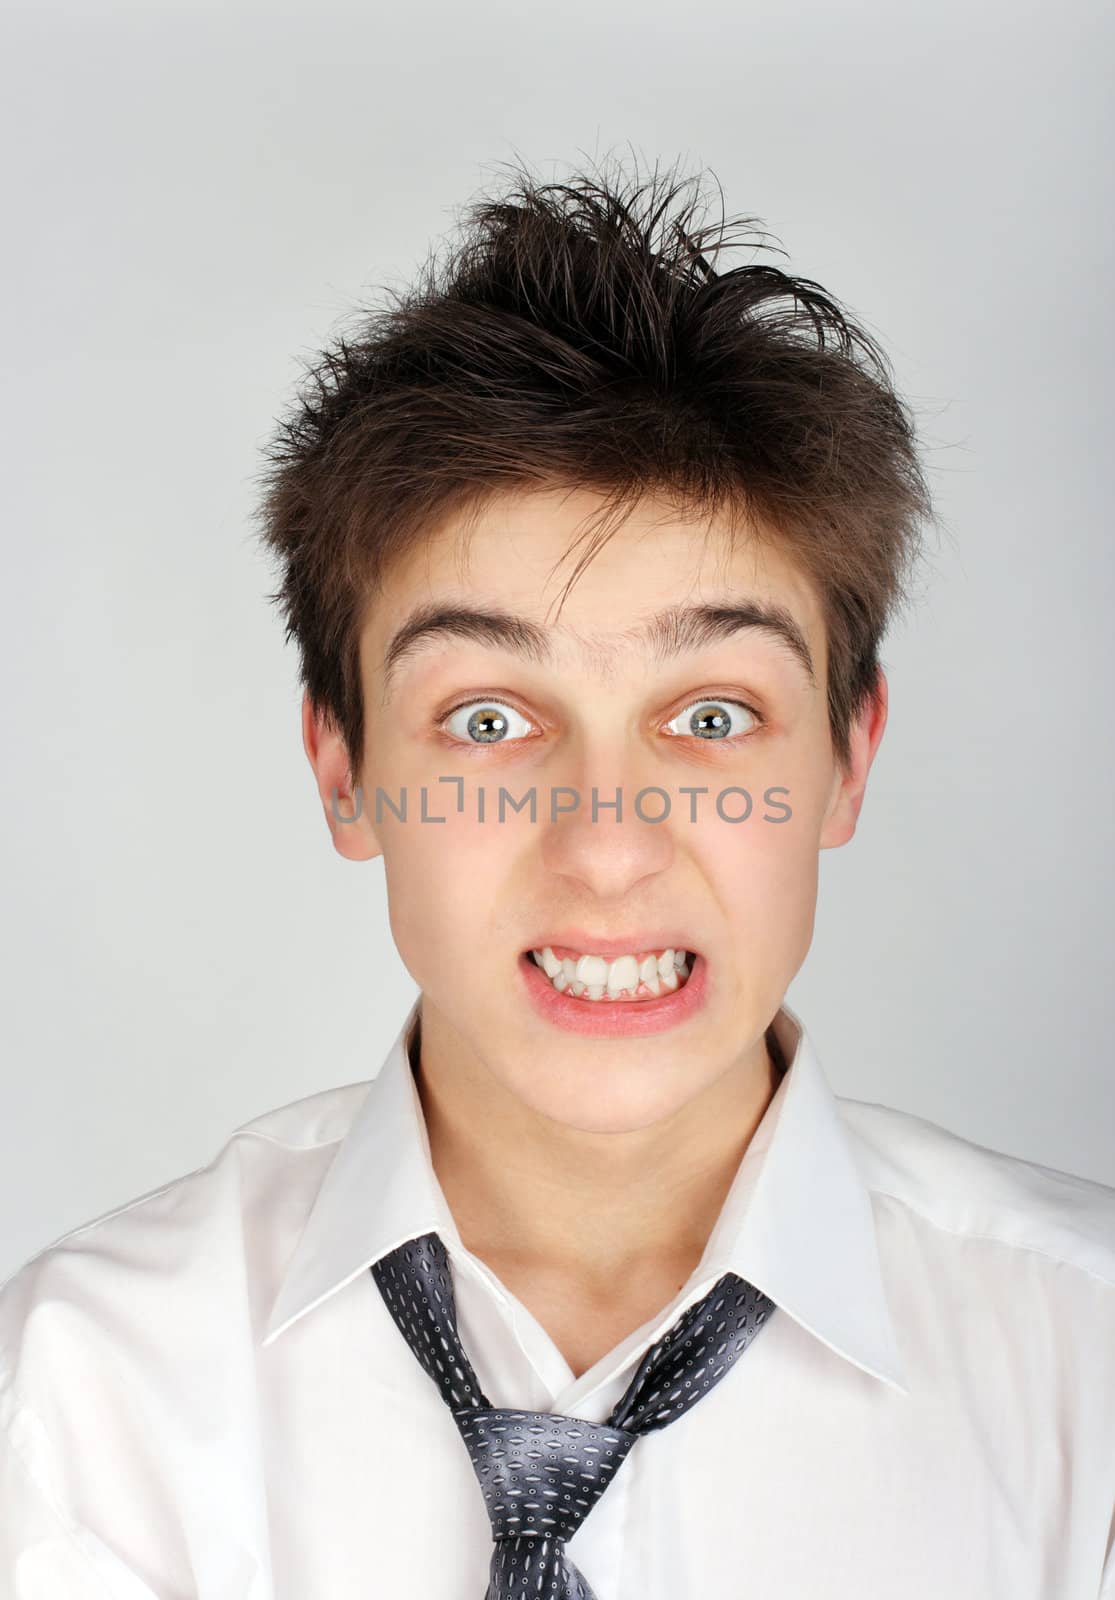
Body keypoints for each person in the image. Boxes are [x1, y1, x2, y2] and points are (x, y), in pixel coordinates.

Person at [1, 156, 1112, 1600]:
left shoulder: (1088, 1372)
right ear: (343, 769)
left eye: (714, 718)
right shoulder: (86, 1397)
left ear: (847, 761)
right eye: (488, 720)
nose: (605, 844)